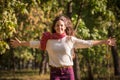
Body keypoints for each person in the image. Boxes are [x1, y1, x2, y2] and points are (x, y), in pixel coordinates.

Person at [10, 15, 116, 80]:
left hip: (68, 72)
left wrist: (104, 42)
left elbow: (87, 43)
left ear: (65, 27)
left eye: (61, 25)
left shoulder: (70, 40)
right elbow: (33, 43)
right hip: (54, 73)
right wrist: (20, 43)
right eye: (57, 25)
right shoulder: (48, 40)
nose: (59, 27)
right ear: (54, 27)